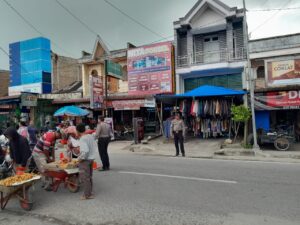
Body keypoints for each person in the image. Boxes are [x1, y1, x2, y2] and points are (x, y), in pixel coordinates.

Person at [76, 123, 97, 200]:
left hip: (86, 160)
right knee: (89, 177)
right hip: (91, 159)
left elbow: (85, 152)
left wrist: (79, 159)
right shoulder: (90, 136)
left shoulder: (82, 138)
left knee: (85, 178)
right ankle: (90, 192)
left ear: (78, 131)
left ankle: (87, 195)